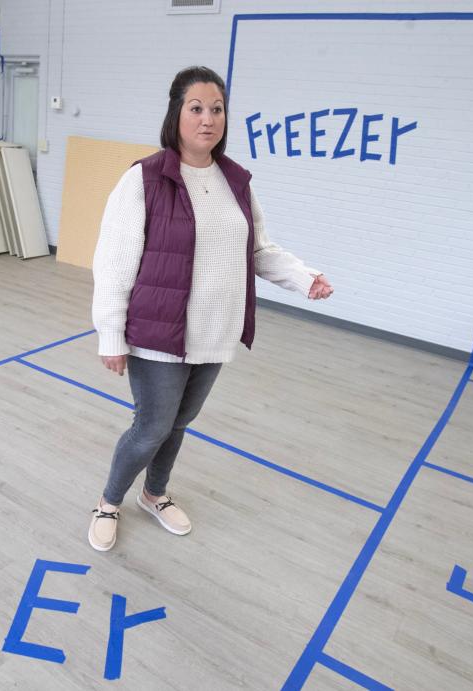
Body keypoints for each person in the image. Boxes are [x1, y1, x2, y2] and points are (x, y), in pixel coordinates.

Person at [88, 66, 333, 552]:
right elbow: (113, 263)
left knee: (179, 424)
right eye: (196, 108)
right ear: (176, 113)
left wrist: (304, 278)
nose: (208, 119)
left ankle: (154, 494)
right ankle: (108, 502)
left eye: (216, 109)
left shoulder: (236, 180)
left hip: (214, 332)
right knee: (151, 427)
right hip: (159, 334)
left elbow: (258, 249)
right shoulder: (144, 179)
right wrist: (111, 336)